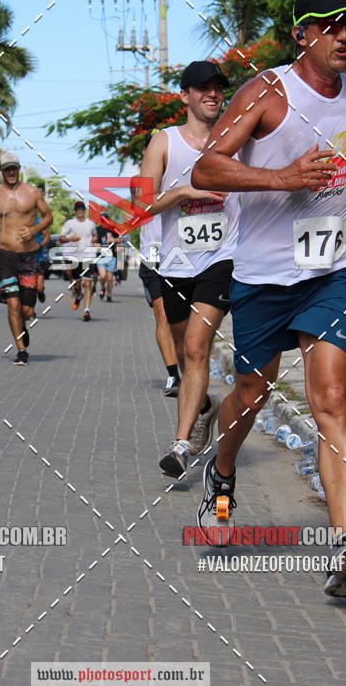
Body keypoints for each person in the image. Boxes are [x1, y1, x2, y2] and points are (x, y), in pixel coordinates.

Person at [192, 0, 346, 598]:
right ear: (302, 35)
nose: (344, 37)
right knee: (252, 393)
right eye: (329, 28)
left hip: (332, 272)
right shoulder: (268, 92)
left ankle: (342, 546)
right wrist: (279, 177)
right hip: (263, 276)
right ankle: (222, 476)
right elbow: (205, 168)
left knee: (331, 399)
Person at [137, 61, 240, 478]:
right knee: (183, 352)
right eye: (203, 89)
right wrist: (182, 191)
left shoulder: (236, 138)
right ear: (185, 96)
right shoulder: (164, 142)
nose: (212, 94)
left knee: (198, 346)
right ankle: (204, 407)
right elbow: (142, 205)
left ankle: (180, 446)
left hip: (224, 256)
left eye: (218, 88)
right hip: (177, 262)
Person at [0, 152, 53, 365]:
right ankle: (21, 350)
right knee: (12, 303)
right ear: (0, 171)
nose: (11, 172)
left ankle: (22, 325)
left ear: (19, 169)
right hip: (5, 255)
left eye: (14, 168)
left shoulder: (32, 192)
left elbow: (49, 216)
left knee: (26, 310)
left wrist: (34, 230)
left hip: (28, 256)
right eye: (7, 169)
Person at [136, 132, 181, 397]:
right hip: (152, 256)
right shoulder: (141, 181)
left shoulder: (184, 173)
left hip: (183, 255)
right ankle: (173, 375)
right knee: (162, 313)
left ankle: (191, 365)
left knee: (185, 321)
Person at [60, 201, 98, 321]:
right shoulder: (70, 223)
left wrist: (94, 240)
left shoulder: (91, 224)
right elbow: (61, 238)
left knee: (87, 283)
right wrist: (71, 238)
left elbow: (95, 235)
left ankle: (87, 310)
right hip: (74, 257)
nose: (80, 211)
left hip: (88, 256)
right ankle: (78, 295)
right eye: (77, 209)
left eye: (81, 209)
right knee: (76, 285)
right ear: (75, 211)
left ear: (84, 210)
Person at [95, 212, 117, 302]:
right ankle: (103, 288)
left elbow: (121, 239)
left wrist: (114, 240)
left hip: (112, 256)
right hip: (101, 256)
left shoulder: (113, 229)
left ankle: (109, 295)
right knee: (103, 276)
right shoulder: (97, 230)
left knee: (110, 278)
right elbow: (93, 240)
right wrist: (95, 244)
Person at [35, 220, 50, 304]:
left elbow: (47, 237)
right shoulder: (20, 221)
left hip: (39, 259)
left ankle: (40, 292)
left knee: (39, 288)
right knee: (29, 288)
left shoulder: (39, 221)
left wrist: (39, 245)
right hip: (25, 260)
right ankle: (31, 310)